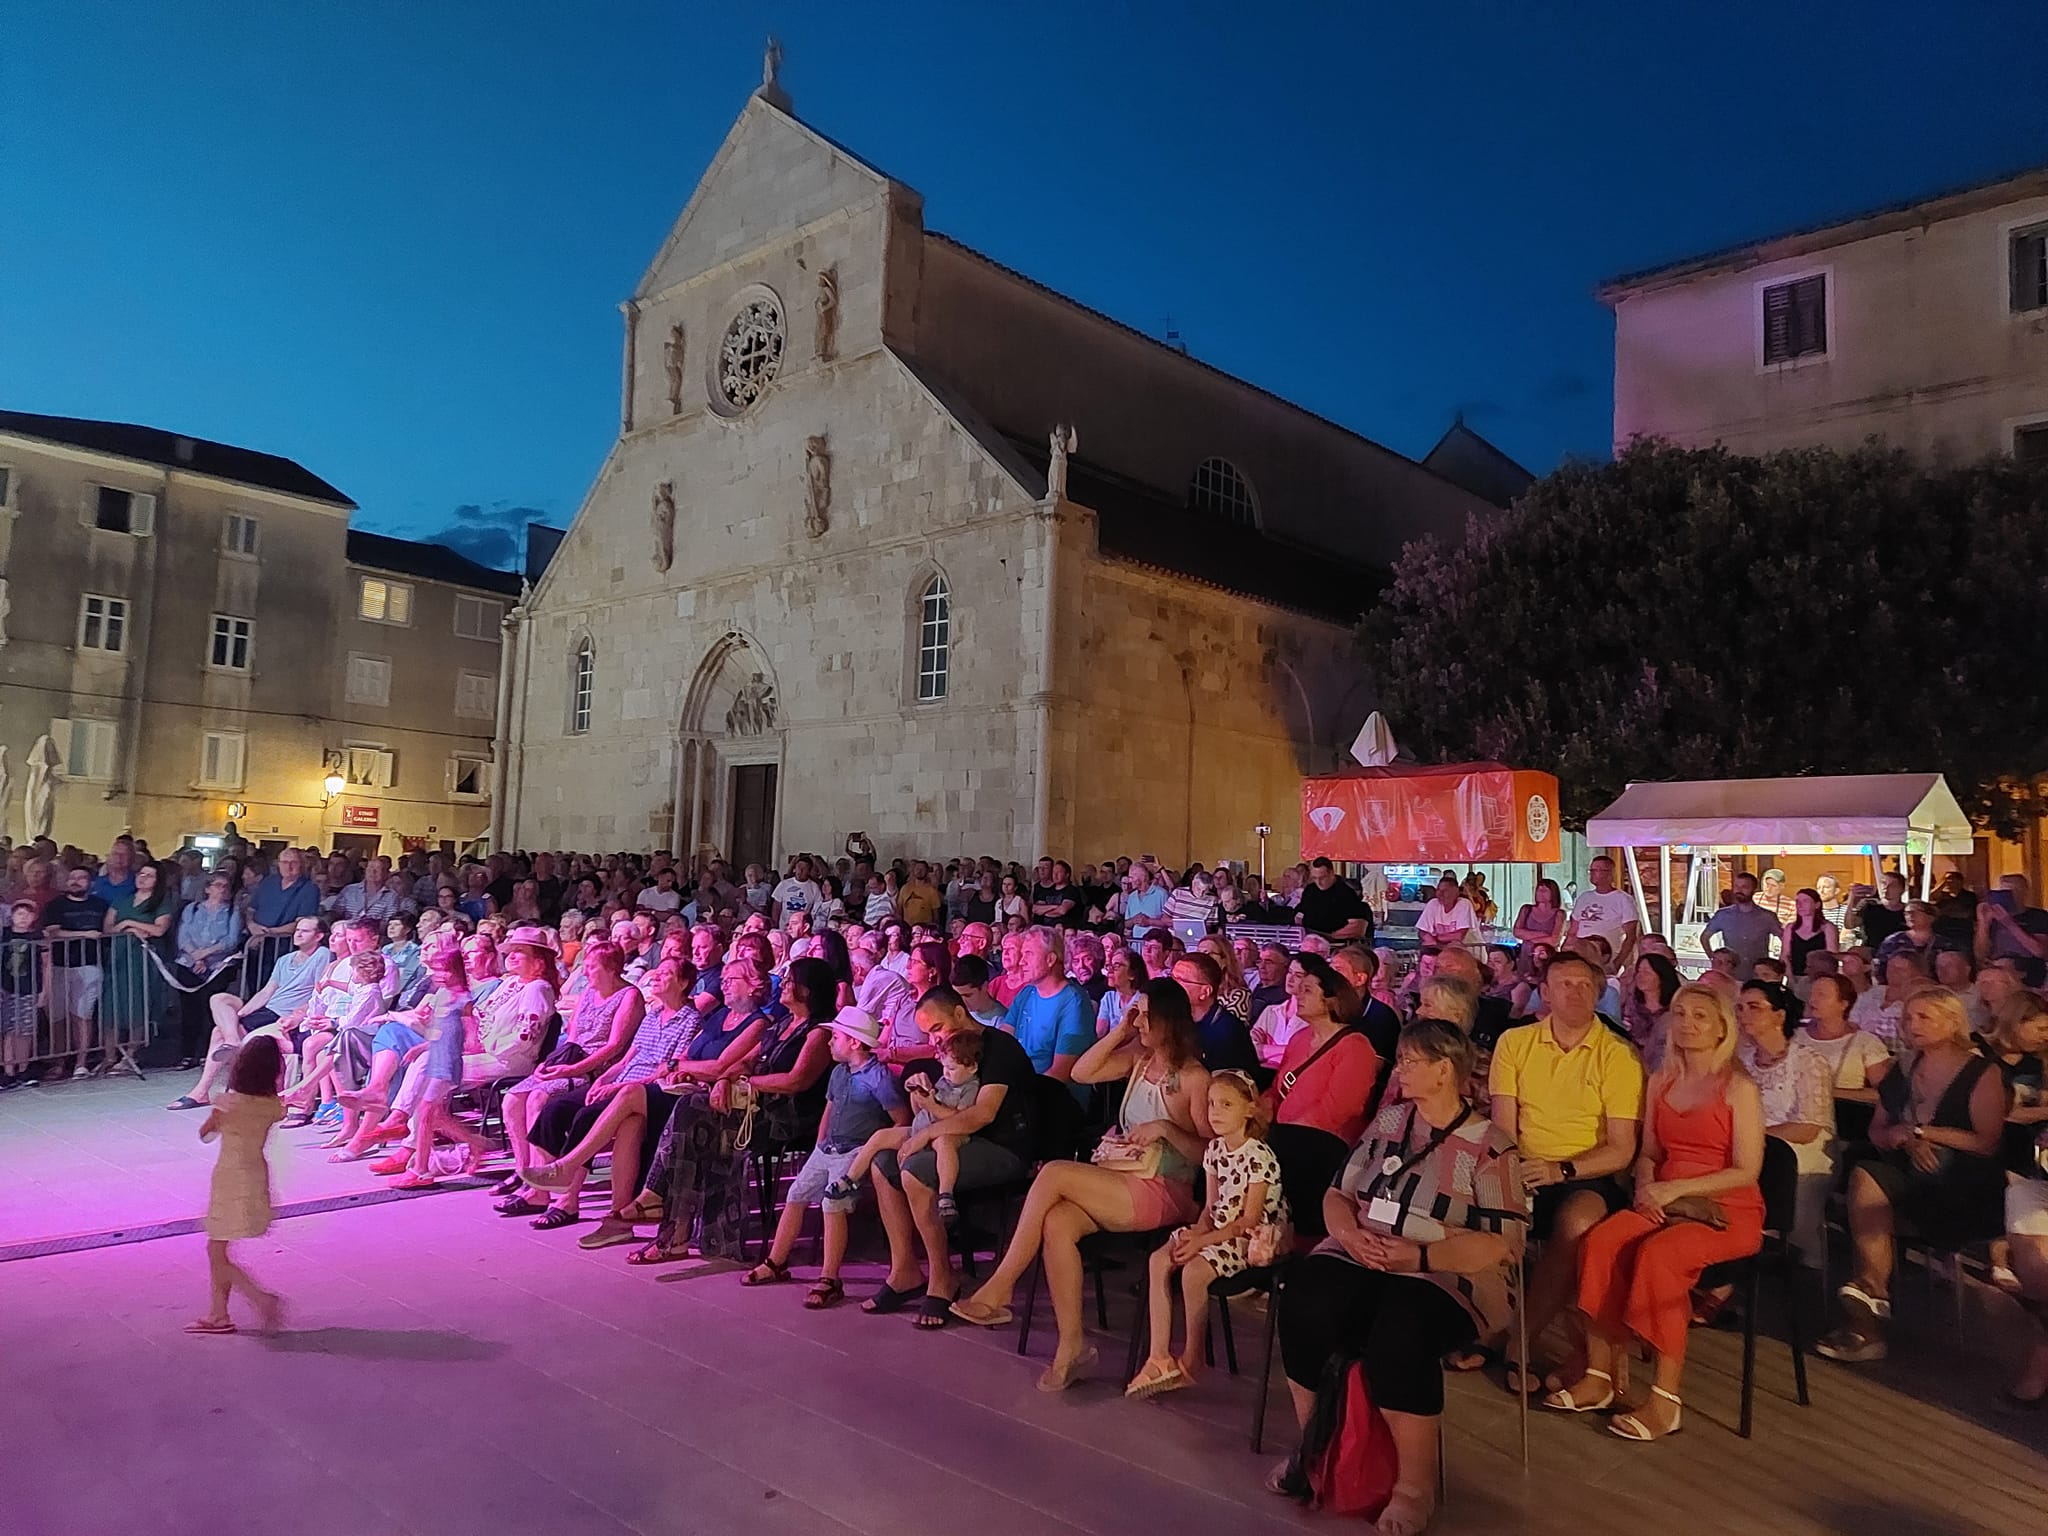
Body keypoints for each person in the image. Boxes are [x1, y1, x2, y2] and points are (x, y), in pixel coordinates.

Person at [1268, 1019, 1526, 1533]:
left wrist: (1422, 1259)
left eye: (1411, 1061)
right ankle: (1316, 1450)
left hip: (1448, 1270)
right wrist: (1348, 1234)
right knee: (1305, 1302)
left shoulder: (1491, 1147)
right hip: (1364, 1250)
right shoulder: (1389, 1123)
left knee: (1401, 1330)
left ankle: (1414, 1486)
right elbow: (1337, 1194)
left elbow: (1504, 1243)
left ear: (1444, 1071)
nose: (1400, 1068)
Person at [951, 978, 1213, 1388]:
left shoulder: (1195, 1077)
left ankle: (1000, 1287)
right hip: (1123, 1176)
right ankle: (1072, 1345)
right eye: (1136, 1012)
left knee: (1053, 1171)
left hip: (1166, 1187)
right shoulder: (1138, 1060)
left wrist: (1166, 1128)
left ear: (1167, 1019)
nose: (1138, 1020)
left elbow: (1209, 1153)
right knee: (1057, 1222)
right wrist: (1120, 1033)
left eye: (1145, 1014)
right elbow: (1081, 1070)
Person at [1545, 983, 1763, 1440]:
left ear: (1723, 1026)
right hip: (1664, 1194)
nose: (1687, 1023)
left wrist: (1675, 1190)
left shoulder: (1739, 1088)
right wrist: (1649, 1186)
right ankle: (1600, 1376)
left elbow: (1747, 1169)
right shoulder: (1661, 1079)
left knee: (1660, 1256)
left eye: (1700, 1016)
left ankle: (1666, 1400)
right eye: (1680, 1013)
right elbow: (1647, 1152)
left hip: (1726, 1207)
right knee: (1600, 1241)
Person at [1817, 987, 2006, 1363]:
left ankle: (1867, 1316)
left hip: (1964, 1182)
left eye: (1923, 1017)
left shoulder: (1982, 1071)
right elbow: (1879, 1131)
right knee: (1866, 1175)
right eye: (1907, 1018)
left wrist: (1922, 1133)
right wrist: (1901, 1137)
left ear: (1952, 1022)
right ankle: (1872, 1293)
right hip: (1907, 1174)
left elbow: (1985, 1141)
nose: (1911, 1025)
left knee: (1879, 1198)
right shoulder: (1903, 1067)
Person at [1487, 951, 1644, 1394]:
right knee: (1475, 1209)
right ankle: (1480, 1327)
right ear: (1545, 992)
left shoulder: (1618, 1055)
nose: (1574, 992)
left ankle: (1518, 1340)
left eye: (1583, 985)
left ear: (1598, 992)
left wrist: (1562, 1169)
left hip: (1587, 1170)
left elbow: (1621, 1149)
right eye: (1564, 984)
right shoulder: (1514, 1043)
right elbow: (1503, 1127)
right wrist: (1514, 1169)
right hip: (1524, 1162)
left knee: (1575, 1224)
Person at [861, 987, 1040, 1326]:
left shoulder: (1000, 1048)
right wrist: (922, 1092)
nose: (934, 1040)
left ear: (960, 1013)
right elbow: (934, 1108)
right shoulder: (947, 1051)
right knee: (883, 1163)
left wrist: (927, 1134)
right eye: (929, 1034)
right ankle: (905, 1270)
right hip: (956, 1140)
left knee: (915, 1170)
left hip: (1002, 1145)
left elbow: (983, 1114)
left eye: (938, 1029)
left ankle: (943, 1277)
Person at [1127, 1069, 1287, 1398]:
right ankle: (1158, 1356)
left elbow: (1248, 1220)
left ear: (1249, 1109)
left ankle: (1192, 1358)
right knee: (1161, 1260)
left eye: (1226, 1104)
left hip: (1246, 1238)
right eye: (1212, 1104)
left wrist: (1202, 1242)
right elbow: (1211, 1206)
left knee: (1194, 1273)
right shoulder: (1213, 1150)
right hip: (1216, 1230)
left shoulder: (1259, 1157)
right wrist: (1196, 1233)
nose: (1215, 1112)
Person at [742, 1006, 910, 1307]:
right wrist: (820, 1144)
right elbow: (829, 1110)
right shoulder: (838, 1073)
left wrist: (877, 1152)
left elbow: (899, 1118)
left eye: (835, 1037)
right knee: (796, 1193)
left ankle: (830, 1277)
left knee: (833, 1202)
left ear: (855, 1042)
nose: (829, 1042)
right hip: (828, 1147)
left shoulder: (878, 1078)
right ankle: (776, 1260)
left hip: (856, 1149)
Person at [499, 937, 644, 1226]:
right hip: (573, 1061)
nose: (586, 972)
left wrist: (572, 1070)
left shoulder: (629, 996)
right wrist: (557, 1064)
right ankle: (526, 1173)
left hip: (598, 1069)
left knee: (539, 1100)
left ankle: (543, 1188)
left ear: (611, 968)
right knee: (512, 1099)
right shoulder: (589, 993)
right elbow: (574, 1037)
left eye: (591, 967)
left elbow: (615, 1045)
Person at [186, 1032, 290, 1337]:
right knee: (218, 1246)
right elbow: (278, 1106)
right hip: (257, 1175)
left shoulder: (227, 1102)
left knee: (216, 1249)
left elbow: (205, 1134)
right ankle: (218, 1313)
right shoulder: (272, 1106)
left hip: (230, 1178)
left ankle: (260, 1298)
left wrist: (217, 1106)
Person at [826, 1028, 980, 1225]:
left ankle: (946, 1194)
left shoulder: (970, 1087)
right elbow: (920, 1114)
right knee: (881, 1136)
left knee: (944, 1144)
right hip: (922, 1130)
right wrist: (917, 1095)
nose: (946, 1074)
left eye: (952, 1069)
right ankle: (850, 1179)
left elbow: (961, 1119)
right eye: (944, 1068)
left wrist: (932, 1106)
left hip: (948, 1134)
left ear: (972, 1067)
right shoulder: (946, 1080)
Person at [1736, 979, 1834, 1266]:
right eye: (1740, 1008)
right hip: (1750, 1145)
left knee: (1772, 1161)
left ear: (1779, 1016)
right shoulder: (1742, 1060)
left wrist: (1750, 1138)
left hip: (1797, 1150)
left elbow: (1808, 1127)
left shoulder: (1807, 1061)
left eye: (1754, 1007)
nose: (1743, 1015)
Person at [391, 931, 494, 1189]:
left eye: (444, 971)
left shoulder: (463, 999)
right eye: (436, 971)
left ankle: (421, 1170)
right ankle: (476, 1143)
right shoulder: (441, 996)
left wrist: (472, 1047)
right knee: (434, 1114)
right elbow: (440, 1032)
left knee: (424, 1112)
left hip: (448, 1064)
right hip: (435, 1058)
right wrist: (422, 1047)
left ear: (457, 971)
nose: (439, 976)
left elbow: (470, 1034)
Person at [43, 863, 113, 1077]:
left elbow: (108, 929)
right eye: (72, 877)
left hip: (90, 964)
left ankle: (81, 1063)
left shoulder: (101, 905)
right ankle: (58, 1062)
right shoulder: (55, 905)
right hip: (60, 965)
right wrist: (84, 935)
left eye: (81, 877)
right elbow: (52, 932)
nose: (75, 881)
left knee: (83, 1015)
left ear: (90, 883)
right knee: (58, 1017)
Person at [1001, 927, 1095, 1081]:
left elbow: (1060, 1073)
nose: (1021, 961)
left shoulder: (1074, 1002)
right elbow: (1003, 1040)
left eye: (1028, 954)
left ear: (1050, 960)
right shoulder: (1026, 993)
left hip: (1050, 1097)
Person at [173, 871, 244, 1070]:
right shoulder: (192, 909)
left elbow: (231, 941)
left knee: (210, 1009)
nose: (221, 890)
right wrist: (195, 955)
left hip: (218, 966)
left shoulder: (232, 911)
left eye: (225, 886)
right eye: (217, 885)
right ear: (207, 888)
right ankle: (187, 1054)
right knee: (189, 1010)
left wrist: (205, 954)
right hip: (189, 962)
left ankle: (208, 1052)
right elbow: (183, 936)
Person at [1799, 973, 1891, 1095]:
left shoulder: (1865, 1043)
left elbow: (1884, 1094)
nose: (1812, 1000)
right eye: (1812, 994)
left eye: (1821, 995)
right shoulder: (1794, 1036)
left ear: (1843, 1004)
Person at [1173, 950, 1260, 1075]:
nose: (1171, 985)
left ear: (1205, 992)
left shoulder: (1227, 1030)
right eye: (1172, 977)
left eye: (1181, 980)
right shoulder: (1175, 1019)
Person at [1564, 855, 1638, 974]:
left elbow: (1631, 935)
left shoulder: (1623, 899)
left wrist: (1617, 963)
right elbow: (1573, 930)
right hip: (1581, 957)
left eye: (1597, 870)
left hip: (1606, 958)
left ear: (1609, 874)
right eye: (1591, 870)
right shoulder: (1584, 898)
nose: (1592, 873)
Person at [1700, 871, 1778, 980]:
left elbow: (1784, 938)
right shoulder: (1723, 915)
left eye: (1744, 887)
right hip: (1731, 975)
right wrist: (1715, 959)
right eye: (1736, 886)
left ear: (1754, 889)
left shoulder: (1767, 917)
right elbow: (1705, 937)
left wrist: (1778, 964)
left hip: (1757, 976)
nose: (1739, 890)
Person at [0, 898, 40, 1087]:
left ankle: (24, 1069)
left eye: (28, 914)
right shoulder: (4, 936)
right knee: (9, 1031)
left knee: (25, 1031)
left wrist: (44, 991)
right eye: (19, 914)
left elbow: (46, 965)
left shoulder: (37, 937)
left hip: (29, 988)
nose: (23, 918)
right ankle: (9, 1071)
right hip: (7, 988)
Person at [1621, 953, 1681, 1069]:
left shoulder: (1677, 1008)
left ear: (1661, 976)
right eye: (1638, 971)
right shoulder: (1629, 1007)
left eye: (1647, 972)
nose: (1640, 976)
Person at [1295, 858, 1373, 944]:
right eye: (1315, 878)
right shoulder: (1310, 890)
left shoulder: (1346, 892)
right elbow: (1300, 912)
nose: (1318, 882)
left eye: (1322, 877)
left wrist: (1331, 937)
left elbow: (1358, 926)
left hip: (1337, 943)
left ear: (1331, 873)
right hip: (1309, 939)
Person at [1781, 887, 1840, 989]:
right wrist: (1790, 978)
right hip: (1796, 977)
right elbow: (1785, 955)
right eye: (1798, 901)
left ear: (1817, 905)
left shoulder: (1827, 928)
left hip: (1819, 979)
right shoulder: (1790, 928)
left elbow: (1831, 956)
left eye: (1805, 901)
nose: (1800, 905)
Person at [1416, 874, 1478, 949]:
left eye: (1445, 891)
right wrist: (1431, 940)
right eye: (1438, 890)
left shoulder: (1464, 904)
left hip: (1469, 952)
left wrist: (1436, 938)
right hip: (1443, 951)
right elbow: (1423, 930)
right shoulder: (1433, 903)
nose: (1440, 894)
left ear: (1456, 893)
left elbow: (1459, 935)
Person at [1096, 945, 1146, 1038]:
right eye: (1109, 965)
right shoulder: (1108, 998)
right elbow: (1099, 1033)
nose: (1110, 970)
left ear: (1132, 974)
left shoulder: (1142, 1001)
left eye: (1116, 966)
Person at [1513, 878, 1567, 964]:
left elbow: (1554, 940)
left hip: (1548, 956)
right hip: (1527, 955)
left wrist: (1529, 938)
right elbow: (1517, 932)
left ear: (1553, 893)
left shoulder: (1559, 913)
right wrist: (1542, 935)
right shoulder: (1526, 909)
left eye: (1545, 890)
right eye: (1539, 890)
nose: (1541, 893)